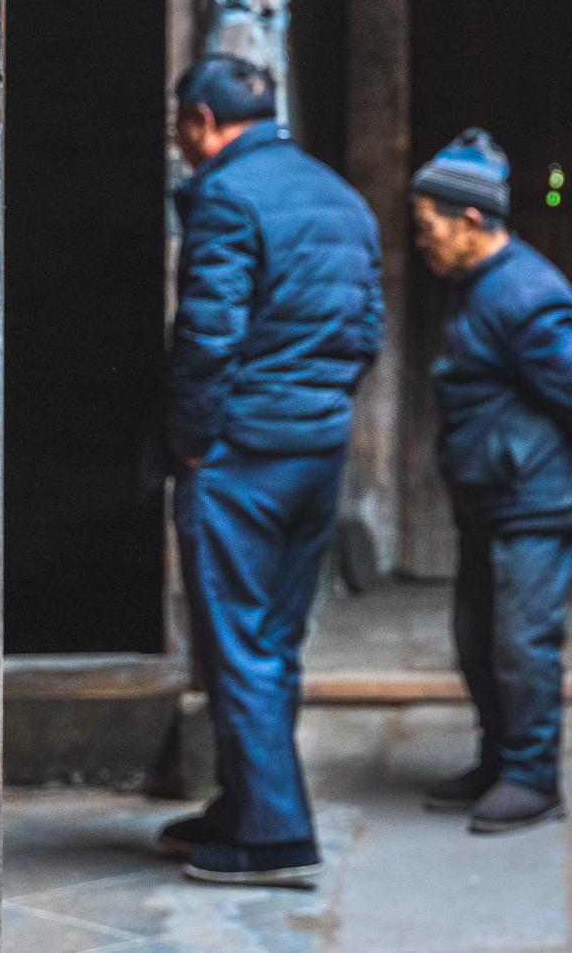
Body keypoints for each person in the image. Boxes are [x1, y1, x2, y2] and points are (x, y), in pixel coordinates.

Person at [156, 56, 383, 888]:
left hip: (240, 453)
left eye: (183, 130)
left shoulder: (226, 195)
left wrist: (192, 441)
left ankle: (275, 836)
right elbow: (367, 330)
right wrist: (316, 406)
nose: (184, 148)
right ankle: (242, 805)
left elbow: (207, 340)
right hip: (317, 446)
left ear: (203, 122)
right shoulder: (341, 197)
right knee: (274, 638)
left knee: (236, 640)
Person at [410, 129, 572, 835]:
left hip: (532, 498)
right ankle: (499, 758)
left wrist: (540, 457)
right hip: (491, 497)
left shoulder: (525, 296)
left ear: (471, 222)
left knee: (521, 642)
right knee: (476, 638)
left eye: (428, 227)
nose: (423, 241)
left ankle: (533, 778)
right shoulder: (476, 285)